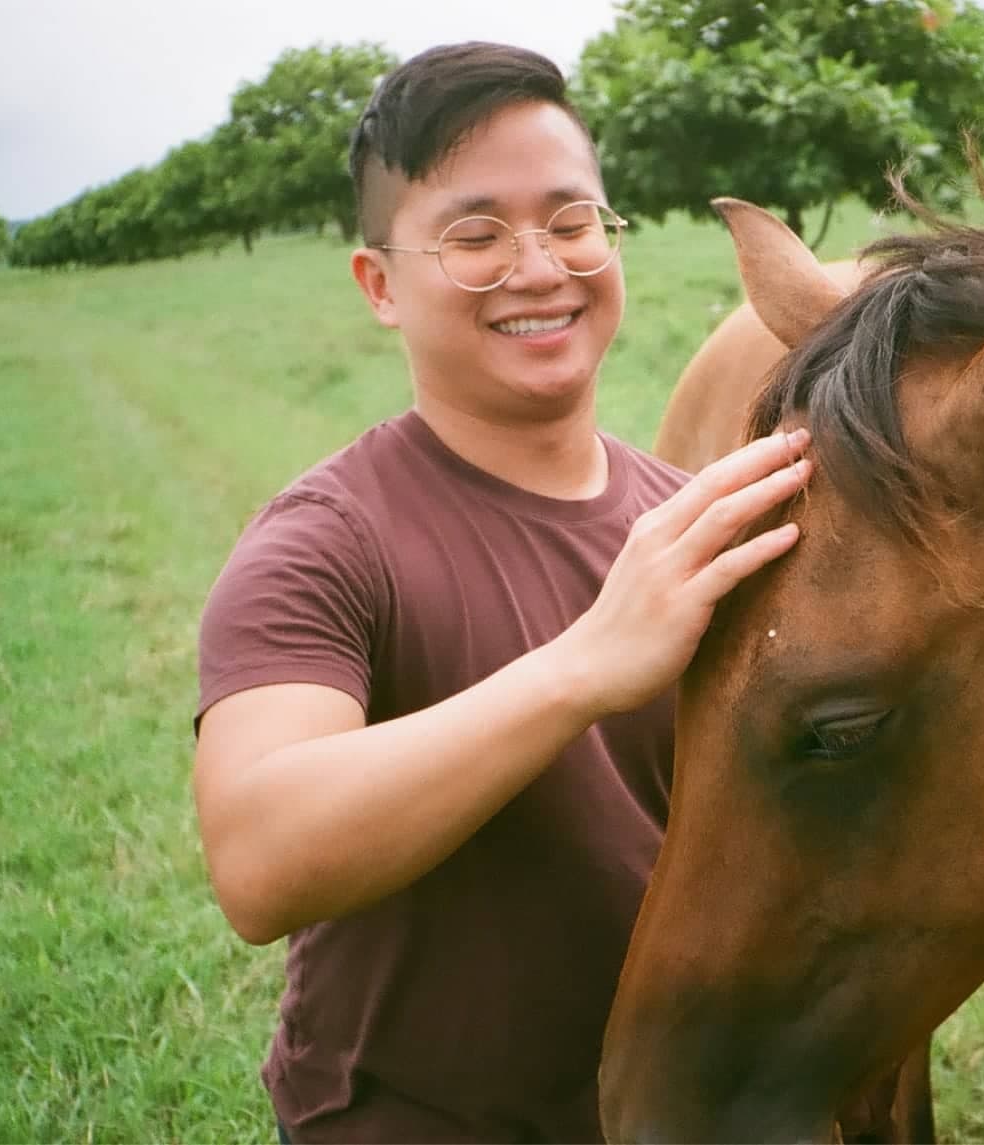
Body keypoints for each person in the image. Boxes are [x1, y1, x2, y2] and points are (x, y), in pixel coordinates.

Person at [191, 41, 812, 1143]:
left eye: (573, 222)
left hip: (685, 1111)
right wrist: (582, 667)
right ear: (380, 284)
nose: (539, 268)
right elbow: (258, 855)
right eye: (476, 236)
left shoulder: (689, 521)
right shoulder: (325, 542)